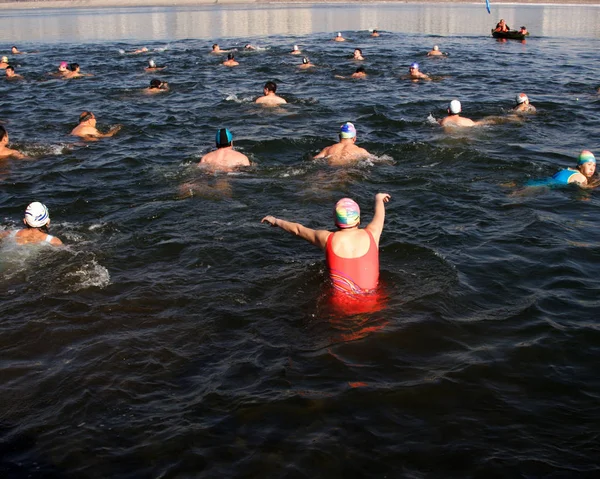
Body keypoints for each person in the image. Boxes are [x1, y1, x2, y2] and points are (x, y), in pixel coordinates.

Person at [261, 193, 391, 297]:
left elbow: (298, 230)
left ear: (335, 220)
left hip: (340, 304)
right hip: (371, 300)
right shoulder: (372, 234)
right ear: (358, 219)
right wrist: (379, 199)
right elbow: (379, 215)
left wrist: (276, 221)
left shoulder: (327, 238)